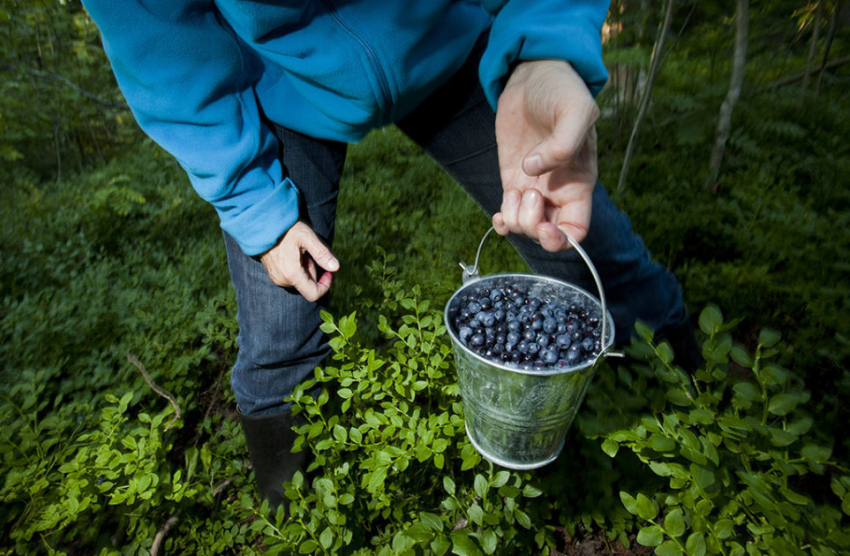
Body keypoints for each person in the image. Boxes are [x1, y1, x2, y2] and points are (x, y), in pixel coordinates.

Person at [82, 0, 697, 506]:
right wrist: (254, 206)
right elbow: (157, 30)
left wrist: (544, 46)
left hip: (450, 44)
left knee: (588, 250)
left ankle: (698, 414)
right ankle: (297, 518)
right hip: (284, 86)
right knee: (279, 337)